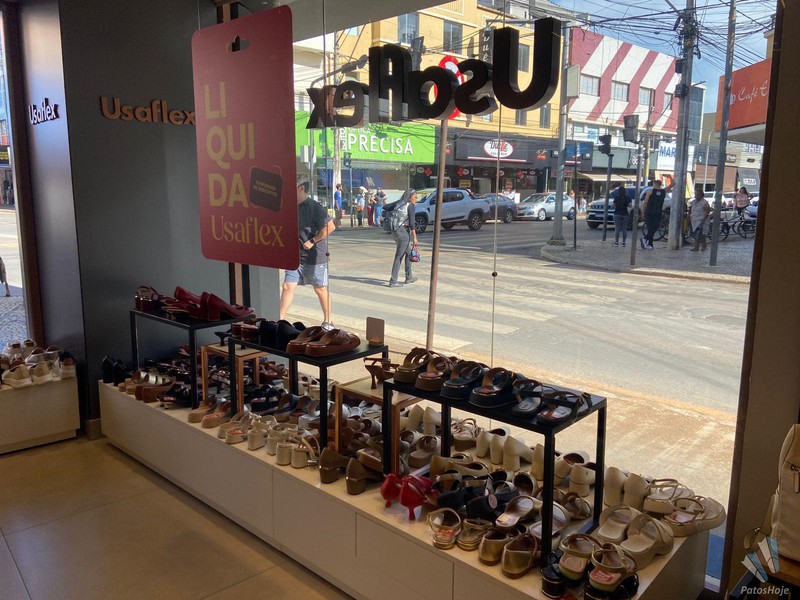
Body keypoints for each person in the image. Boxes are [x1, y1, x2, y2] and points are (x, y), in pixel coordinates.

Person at [279, 175, 336, 329]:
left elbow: (330, 227)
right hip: (295, 256)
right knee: (287, 286)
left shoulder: (315, 207)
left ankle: (328, 321)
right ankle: (280, 320)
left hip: (315, 256)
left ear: (301, 188)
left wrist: (313, 240)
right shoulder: (289, 206)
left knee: (320, 289)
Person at [388, 189, 419, 288]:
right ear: (410, 197)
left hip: (395, 230)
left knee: (409, 253)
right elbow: (412, 223)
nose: (416, 199)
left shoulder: (400, 204)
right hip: (403, 233)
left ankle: (409, 277)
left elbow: (386, 207)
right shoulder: (410, 206)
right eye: (415, 197)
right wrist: (415, 237)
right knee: (399, 256)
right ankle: (393, 281)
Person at [640, 179, 674, 251]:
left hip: (649, 212)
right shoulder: (663, 191)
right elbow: (672, 184)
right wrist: (669, 177)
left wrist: (642, 212)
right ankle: (649, 244)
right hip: (657, 212)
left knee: (651, 228)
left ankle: (645, 239)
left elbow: (645, 203)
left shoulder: (650, 192)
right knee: (654, 228)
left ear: (654, 184)